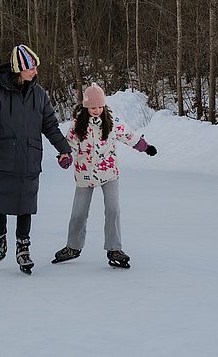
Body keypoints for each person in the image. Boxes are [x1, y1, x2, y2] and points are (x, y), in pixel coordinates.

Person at [0, 43, 72, 274]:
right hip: (1, 156)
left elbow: (50, 125)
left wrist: (64, 149)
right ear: (19, 69)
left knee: (25, 202)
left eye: (35, 68)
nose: (35, 72)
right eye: (31, 68)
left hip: (29, 157)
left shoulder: (39, 95)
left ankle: (23, 246)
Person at [52, 83, 157, 269]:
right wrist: (65, 158)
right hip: (85, 173)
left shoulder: (111, 120)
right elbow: (70, 146)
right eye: (93, 107)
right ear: (86, 106)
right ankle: (73, 247)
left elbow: (128, 135)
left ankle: (114, 248)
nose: (97, 110)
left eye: (100, 106)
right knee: (79, 213)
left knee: (113, 210)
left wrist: (145, 147)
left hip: (109, 173)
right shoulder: (78, 124)